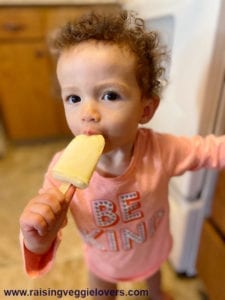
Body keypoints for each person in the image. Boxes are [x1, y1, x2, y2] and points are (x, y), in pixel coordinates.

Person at [19, 9, 225, 300]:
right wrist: (37, 238)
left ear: (146, 109)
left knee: (155, 278)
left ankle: (157, 294)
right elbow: (47, 231)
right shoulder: (60, 173)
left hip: (151, 249)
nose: (88, 113)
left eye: (110, 95)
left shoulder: (161, 151)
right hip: (103, 263)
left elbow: (208, 150)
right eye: (74, 98)